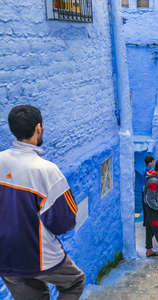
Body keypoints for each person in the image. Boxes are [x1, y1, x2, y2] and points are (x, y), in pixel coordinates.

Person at [0, 105, 85, 299]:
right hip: (38, 256)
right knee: (75, 281)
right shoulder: (46, 171)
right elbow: (64, 222)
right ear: (38, 128)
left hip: (4, 255)